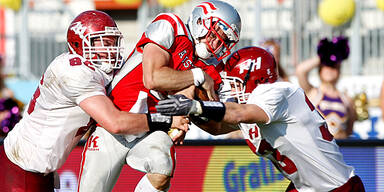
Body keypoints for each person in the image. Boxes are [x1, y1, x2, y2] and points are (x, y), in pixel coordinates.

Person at [0, 10, 188, 191]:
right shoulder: (73, 72)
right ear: (79, 43)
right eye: (104, 43)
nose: (111, 49)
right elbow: (115, 122)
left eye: (113, 42)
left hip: (39, 170)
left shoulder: (99, 70)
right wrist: (167, 121)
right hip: (21, 168)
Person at [78, 1, 241, 192]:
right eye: (214, 35)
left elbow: (215, 127)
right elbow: (153, 78)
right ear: (200, 22)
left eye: (223, 41)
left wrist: (194, 109)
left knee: (163, 164)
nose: (215, 44)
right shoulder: (171, 25)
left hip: (149, 130)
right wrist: (196, 76)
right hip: (111, 126)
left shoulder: (211, 68)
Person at [156, 46, 365, 191]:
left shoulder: (276, 92)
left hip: (338, 187)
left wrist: (195, 105)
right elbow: (217, 127)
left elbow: (238, 113)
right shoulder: (253, 107)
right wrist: (189, 109)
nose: (230, 89)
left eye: (235, 82)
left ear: (255, 78)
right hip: (306, 188)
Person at [295, 36, 356, 139]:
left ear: (339, 70)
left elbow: (349, 131)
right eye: (326, 65)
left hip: (338, 149)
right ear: (320, 70)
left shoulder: (346, 99)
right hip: (318, 150)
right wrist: (324, 55)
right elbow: (300, 71)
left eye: (334, 67)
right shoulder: (312, 92)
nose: (329, 69)